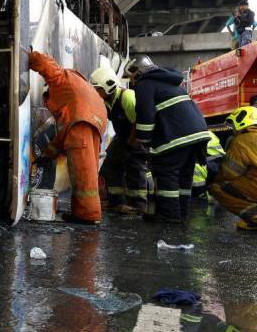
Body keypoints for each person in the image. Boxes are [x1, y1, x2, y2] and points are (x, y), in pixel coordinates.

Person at [125, 54, 209, 223]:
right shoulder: (171, 82)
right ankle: (182, 213)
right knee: (185, 176)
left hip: (178, 136)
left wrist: (144, 141)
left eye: (132, 75)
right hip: (198, 134)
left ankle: (170, 216)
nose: (132, 81)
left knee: (168, 174)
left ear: (138, 71)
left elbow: (145, 116)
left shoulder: (145, 84)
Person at [29, 49, 108, 224]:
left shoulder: (62, 80)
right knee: (85, 172)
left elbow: (48, 66)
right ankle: (82, 212)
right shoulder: (78, 92)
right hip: (93, 124)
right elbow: (61, 136)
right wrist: (48, 155)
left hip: (83, 126)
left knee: (83, 174)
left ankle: (88, 215)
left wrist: (29, 56)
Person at [90, 66, 149, 215]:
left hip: (136, 137)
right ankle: (116, 201)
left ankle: (138, 205)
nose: (96, 92)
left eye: (98, 89)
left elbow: (138, 122)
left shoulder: (127, 96)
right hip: (123, 136)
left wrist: (130, 145)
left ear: (108, 86)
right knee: (110, 165)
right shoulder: (108, 101)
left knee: (134, 166)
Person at [208, 106, 257, 230]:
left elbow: (230, 173)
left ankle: (255, 218)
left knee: (218, 187)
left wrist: (213, 177)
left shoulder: (241, 140)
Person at [191, 130, 225, 198]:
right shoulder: (203, 130)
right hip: (218, 163)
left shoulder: (194, 134)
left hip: (213, 164)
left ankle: (201, 194)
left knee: (195, 167)